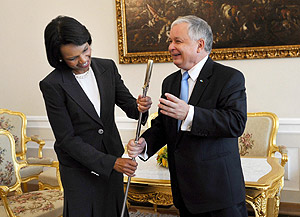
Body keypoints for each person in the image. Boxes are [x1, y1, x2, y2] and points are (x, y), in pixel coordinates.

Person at [127, 15, 248, 217]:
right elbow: (163, 125)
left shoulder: (229, 78)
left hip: (219, 195)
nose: (171, 47)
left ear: (200, 45)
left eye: (177, 41)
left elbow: (235, 123)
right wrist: (144, 144)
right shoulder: (170, 82)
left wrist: (189, 113)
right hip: (184, 194)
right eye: (170, 41)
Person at [40, 16, 152, 217]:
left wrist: (141, 106)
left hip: (111, 158)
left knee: (113, 211)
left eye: (85, 49)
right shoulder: (52, 84)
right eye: (73, 58)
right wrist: (111, 162)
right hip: (78, 169)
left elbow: (131, 107)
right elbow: (66, 139)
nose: (83, 60)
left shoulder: (107, 67)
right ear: (58, 57)